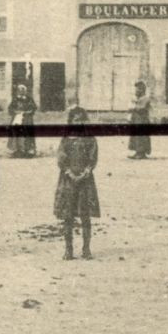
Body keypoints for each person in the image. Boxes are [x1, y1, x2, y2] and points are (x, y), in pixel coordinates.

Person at [54, 106, 100, 260]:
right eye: (75, 120)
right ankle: (68, 249)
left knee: (85, 215)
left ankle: (86, 249)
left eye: (81, 120)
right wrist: (69, 172)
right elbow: (61, 157)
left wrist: (86, 172)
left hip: (85, 181)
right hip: (68, 180)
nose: (78, 123)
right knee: (68, 216)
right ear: (70, 122)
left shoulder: (90, 139)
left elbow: (93, 158)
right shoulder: (66, 139)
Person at [6, 82, 38, 159]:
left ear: (25, 91)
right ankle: (17, 150)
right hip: (17, 118)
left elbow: (34, 107)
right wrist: (15, 112)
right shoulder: (15, 99)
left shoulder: (29, 99)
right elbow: (10, 108)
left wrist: (28, 112)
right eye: (20, 90)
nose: (21, 91)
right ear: (17, 91)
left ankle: (28, 150)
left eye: (23, 90)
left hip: (27, 119)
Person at [127, 80, 153, 159]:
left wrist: (134, 106)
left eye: (137, 89)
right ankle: (137, 152)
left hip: (142, 121)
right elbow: (130, 109)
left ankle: (141, 153)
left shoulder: (146, 99)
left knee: (141, 137)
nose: (135, 91)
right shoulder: (137, 99)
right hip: (136, 121)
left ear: (141, 90)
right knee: (136, 137)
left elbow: (141, 108)